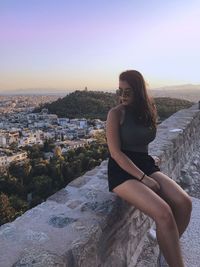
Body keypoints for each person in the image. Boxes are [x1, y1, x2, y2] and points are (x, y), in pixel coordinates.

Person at [106, 70, 192, 267]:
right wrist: (143, 178)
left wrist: (146, 168)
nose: (122, 96)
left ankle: (167, 252)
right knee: (164, 213)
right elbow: (116, 154)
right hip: (122, 170)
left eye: (127, 91)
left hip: (144, 162)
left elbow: (143, 142)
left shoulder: (147, 110)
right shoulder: (115, 114)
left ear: (139, 91)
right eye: (119, 90)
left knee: (184, 203)